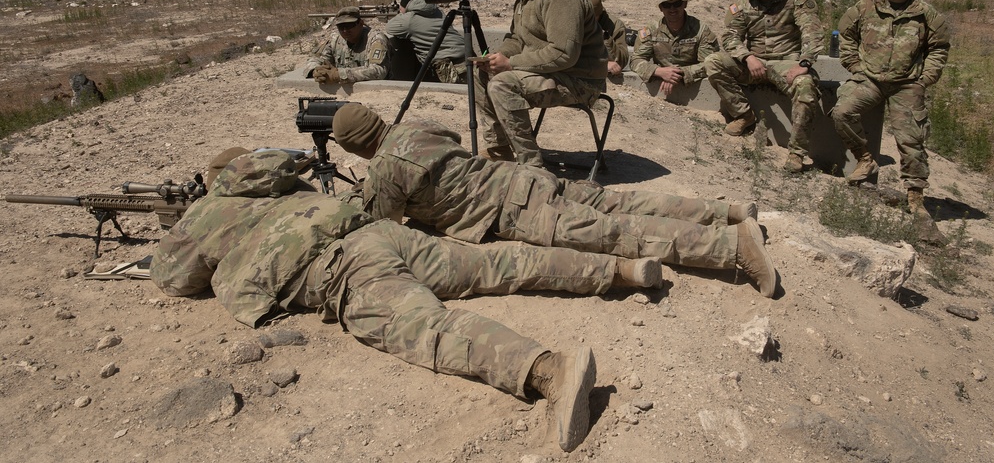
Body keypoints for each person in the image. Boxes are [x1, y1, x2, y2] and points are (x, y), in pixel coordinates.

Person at [152, 149, 664, 452]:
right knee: (499, 265)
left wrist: (180, 224)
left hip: (341, 269)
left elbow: (174, 280)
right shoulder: (276, 186)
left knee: (424, 327)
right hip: (376, 235)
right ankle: (621, 271)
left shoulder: (205, 212)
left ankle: (549, 370)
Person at [331, 103, 778, 298]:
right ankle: (729, 213)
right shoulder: (416, 128)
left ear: (353, 147)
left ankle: (734, 248)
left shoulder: (385, 169)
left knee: (618, 234)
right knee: (622, 205)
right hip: (523, 178)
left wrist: (359, 191)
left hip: (517, 210)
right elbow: (448, 143)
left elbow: (381, 223)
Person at [831, 0, 950, 222]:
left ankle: (916, 198)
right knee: (841, 113)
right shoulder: (865, 7)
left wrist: (925, 78)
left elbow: (939, 48)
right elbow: (845, 33)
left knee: (911, 140)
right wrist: (854, 65)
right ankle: (864, 158)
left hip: (906, 84)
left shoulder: (926, 14)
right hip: (870, 79)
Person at [473, 0, 608, 166]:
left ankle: (531, 165)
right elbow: (518, 38)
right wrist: (499, 57)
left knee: (503, 84)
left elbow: (563, 54)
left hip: (578, 79)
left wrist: (511, 64)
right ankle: (499, 149)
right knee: (482, 75)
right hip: (551, 72)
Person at [703, 0, 825, 173]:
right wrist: (748, 57)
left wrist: (804, 63)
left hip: (787, 62)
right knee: (713, 62)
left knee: (805, 87)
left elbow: (812, 32)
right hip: (755, 63)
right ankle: (743, 115)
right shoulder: (743, 4)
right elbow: (730, 36)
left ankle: (796, 153)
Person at [630, 0, 720, 98]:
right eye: (667, 5)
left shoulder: (701, 30)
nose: (672, 9)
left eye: (677, 4)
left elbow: (710, 64)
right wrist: (659, 71)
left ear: (685, 4)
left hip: (691, 80)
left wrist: (678, 74)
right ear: (661, 8)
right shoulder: (651, 30)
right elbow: (636, 60)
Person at [386, 0, 468, 84]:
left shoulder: (410, 19)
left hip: (449, 67)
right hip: (466, 56)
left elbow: (389, 28)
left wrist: (403, 14)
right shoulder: (438, 11)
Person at [303, 6, 391, 84]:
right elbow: (315, 59)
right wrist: (316, 71)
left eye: (349, 26)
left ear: (360, 24)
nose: (345, 31)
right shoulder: (335, 40)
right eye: (341, 27)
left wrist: (340, 75)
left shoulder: (376, 39)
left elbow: (378, 71)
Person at [584, 0, 629, 76]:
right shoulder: (572, 22)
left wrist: (605, 37)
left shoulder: (614, 26)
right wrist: (601, 65)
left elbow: (621, 61)